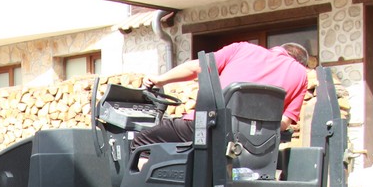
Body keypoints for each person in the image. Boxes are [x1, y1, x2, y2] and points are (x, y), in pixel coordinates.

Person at [131, 42, 311, 146]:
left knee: (141, 141)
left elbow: (196, 67)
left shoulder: (244, 49)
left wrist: (160, 80)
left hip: (206, 127)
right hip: (249, 142)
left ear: (276, 48)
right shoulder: (302, 76)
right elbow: (283, 123)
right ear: (301, 63)